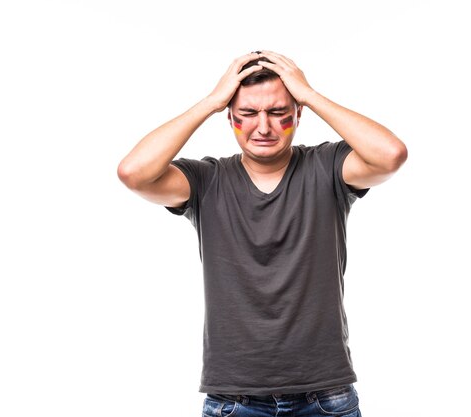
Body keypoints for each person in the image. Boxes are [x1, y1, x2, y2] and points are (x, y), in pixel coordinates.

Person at [117, 51, 407, 417]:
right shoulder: (207, 181)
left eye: (279, 113)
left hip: (325, 397)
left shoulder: (327, 167)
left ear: (298, 114)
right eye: (248, 114)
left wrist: (310, 94)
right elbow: (133, 173)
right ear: (231, 118)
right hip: (234, 401)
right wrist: (209, 102)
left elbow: (391, 155)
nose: (264, 127)